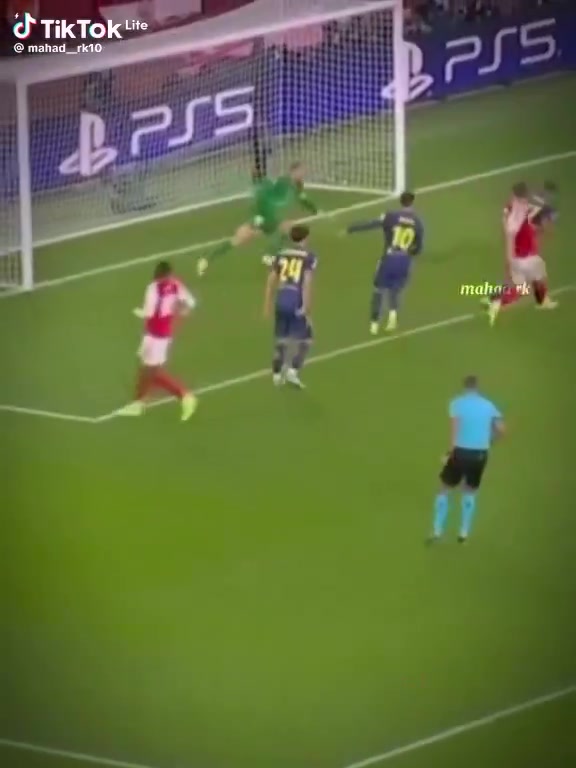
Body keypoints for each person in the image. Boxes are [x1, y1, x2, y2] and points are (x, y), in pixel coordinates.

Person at [197, 162, 319, 277]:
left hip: (273, 218)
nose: (303, 173)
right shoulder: (282, 182)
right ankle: (206, 259)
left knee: (286, 229)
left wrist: (314, 209)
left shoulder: (297, 185)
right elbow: (268, 194)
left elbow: (302, 198)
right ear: (293, 171)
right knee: (240, 239)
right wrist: (258, 214)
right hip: (263, 216)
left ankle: (270, 256)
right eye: (301, 171)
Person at [117, 261, 198, 421]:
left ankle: (185, 396)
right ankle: (138, 403)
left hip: (155, 335)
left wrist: (140, 312)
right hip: (161, 334)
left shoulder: (153, 289)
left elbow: (149, 312)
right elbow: (190, 303)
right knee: (145, 368)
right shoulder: (176, 285)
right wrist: (182, 310)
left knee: (152, 372)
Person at [430, 375, 505, 543]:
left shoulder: (456, 404)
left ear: (465, 387)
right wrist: (490, 441)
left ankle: (437, 530)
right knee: (469, 491)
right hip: (480, 454)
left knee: (444, 488)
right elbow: (501, 429)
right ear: (477, 387)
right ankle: (463, 532)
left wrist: (449, 452)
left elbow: (455, 429)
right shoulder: (488, 405)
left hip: (461, 452)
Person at [345, 191, 424, 334]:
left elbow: (372, 224)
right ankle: (392, 316)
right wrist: (408, 252)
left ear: (400, 202)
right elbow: (418, 248)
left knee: (378, 289)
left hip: (389, 258)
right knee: (394, 289)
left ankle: (374, 324)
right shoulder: (417, 223)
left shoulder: (391, 216)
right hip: (404, 260)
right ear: (412, 202)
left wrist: (351, 228)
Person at [487, 181, 557, 326]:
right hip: (522, 256)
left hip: (526, 253)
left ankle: (542, 300)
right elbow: (535, 210)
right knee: (519, 289)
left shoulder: (515, 209)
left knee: (538, 276)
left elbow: (533, 213)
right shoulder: (520, 212)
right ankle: (496, 301)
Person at [263, 224, 316, 388]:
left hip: (281, 299)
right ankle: (293, 371)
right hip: (296, 300)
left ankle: (276, 374)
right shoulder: (308, 257)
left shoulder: (281, 254)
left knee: (281, 339)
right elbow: (307, 282)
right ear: (305, 238)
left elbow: (271, 280)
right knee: (307, 339)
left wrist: (267, 304)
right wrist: (306, 307)